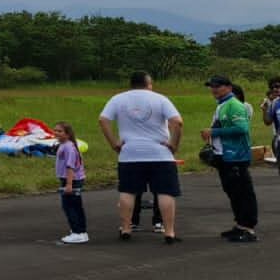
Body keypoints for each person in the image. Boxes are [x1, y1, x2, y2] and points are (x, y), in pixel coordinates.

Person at [99, 71, 183, 243]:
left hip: (130, 153)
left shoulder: (118, 99)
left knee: (128, 191)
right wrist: (174, 144)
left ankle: (126, 228)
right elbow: (177, 122)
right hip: (159, 153)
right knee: (165, 192)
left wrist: (114, 143)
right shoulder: (160, 99)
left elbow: (103, 120)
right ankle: (169, 231)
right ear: (149, 84)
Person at [202, 75, 258, 242]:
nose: (214, 90)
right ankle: (240, 224)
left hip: (236, 157)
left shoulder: (234, 105)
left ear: (228, 87)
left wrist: (214, 132)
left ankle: (248, 228)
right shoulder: (222, 105)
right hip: (225, 155)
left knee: (243, 192)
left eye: (217, 86)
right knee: (233, 191)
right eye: (212, 86)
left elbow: (241, 128)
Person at [54, 121, 88, 244]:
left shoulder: (68, 147)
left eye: (60, 131)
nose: (56, 133)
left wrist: (69, 184)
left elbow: (70, 166)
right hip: (69, 179)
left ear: (67, 134)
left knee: (70, 207)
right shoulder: (64, 145)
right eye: (55, 130)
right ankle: (81, 232)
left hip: (71, 180)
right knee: (76, 206)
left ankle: (77, 232)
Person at [262, 77, 280, 166]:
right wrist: (264, 110)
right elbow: (268, 122)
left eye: (277, 86)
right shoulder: (275, 103)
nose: (275, 89)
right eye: (272, 87)